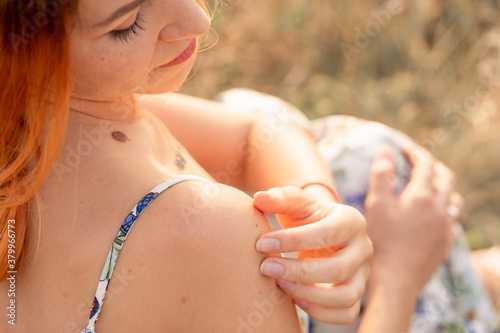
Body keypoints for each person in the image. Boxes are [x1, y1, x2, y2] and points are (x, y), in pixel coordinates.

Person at [0, 1, 494, 333]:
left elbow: (254, 134)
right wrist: (399, 275)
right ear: (23, 50)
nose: (197, 18)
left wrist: (319, 205)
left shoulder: (40, 109)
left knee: (329, 152)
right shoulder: (208, 229)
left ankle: (471, 277)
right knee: (373, 164)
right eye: (126, 24)